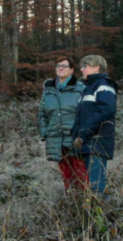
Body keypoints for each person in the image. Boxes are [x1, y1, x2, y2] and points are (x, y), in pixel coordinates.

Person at [71, 55, 118, 197]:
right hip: (86, 143)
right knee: (86, 188)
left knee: (96, 188)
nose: (82, 69)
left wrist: (84, 132)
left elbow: (107, 109)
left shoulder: (103, 85)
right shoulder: (87, 88)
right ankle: (92, 216)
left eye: (85, 66)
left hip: (97, 143)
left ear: (96, 67)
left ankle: (104, 216)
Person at [38, 56, 87, 190]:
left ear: (71, 70)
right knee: (66, 174)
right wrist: (45, 132)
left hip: (74, 138)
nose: (60, 68)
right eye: (58, 65)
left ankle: (86, 203)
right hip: (55, 139)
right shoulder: (49, 90)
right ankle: (70, 200)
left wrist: (81, 134)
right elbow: (42, 114)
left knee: (81, 172)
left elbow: (86, 113)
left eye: (64, 66)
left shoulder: (80, 88)